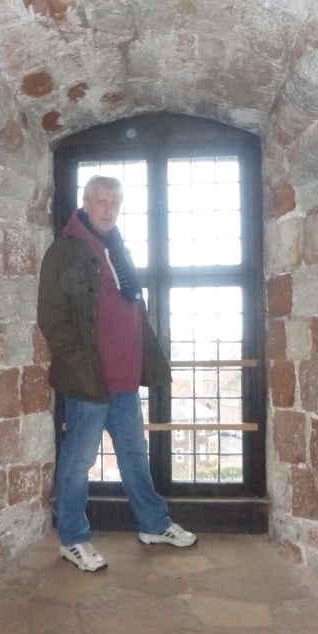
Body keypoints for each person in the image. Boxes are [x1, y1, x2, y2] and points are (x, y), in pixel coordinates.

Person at [37, 175, 197, 572]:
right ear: (86, 203)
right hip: (89, 382)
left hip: (124, 379)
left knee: (134, 455)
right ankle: (73, 539)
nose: (109, 210)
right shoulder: (65, 250)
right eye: (101, 202)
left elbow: (132, 307)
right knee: (78, 462)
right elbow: (52, 318)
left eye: (115, 203)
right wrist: (80, 365)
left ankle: (153, 524)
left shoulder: (117, 247)